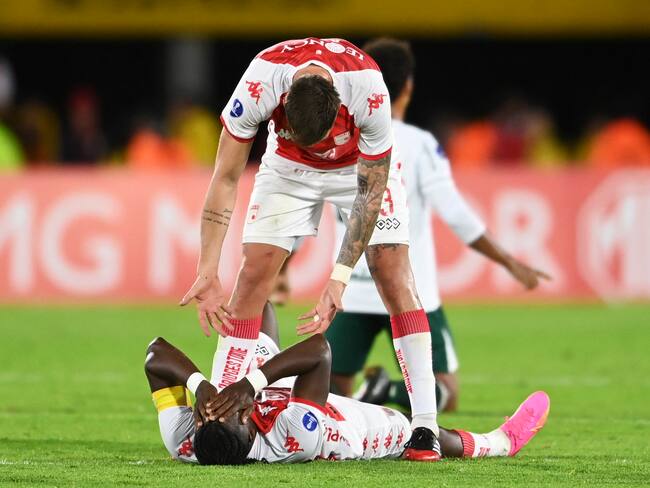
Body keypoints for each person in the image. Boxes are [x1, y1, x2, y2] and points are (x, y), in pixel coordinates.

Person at [179, 38, 445, 459]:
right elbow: (225, 177)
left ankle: (425, 425)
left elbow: (370, 194)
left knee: (392, 272)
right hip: (288, 168)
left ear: (341, 109)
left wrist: (338, 276)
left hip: (356, 167)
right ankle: (219, 414)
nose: (316, 149)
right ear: (281, 105)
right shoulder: (258, 82)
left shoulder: (369, 89)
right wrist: (208, 269)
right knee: (252, 275)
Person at [326, 39, 551, 412]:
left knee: (332, 391)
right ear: (409, 86)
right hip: (411, 290)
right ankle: (386, 394)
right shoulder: (419, 144)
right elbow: (458, 215)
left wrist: (286, 266)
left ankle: (365, 410)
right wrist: (510, 263)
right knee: (445, 392)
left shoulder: (339, 140)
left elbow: (308, 201)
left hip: (354, 289)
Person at [144, 303, 550, 465]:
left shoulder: (183, 440)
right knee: (421, 435)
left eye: (207, 415)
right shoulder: (293, 438)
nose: (219, 407)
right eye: (228, 411)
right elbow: (320, 351)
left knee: (253, 304)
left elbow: (155, 353)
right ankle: (500, 442)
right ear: (247, 419)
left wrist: (200, 386)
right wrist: (251, 383)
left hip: (275, 396)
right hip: (345, 428)